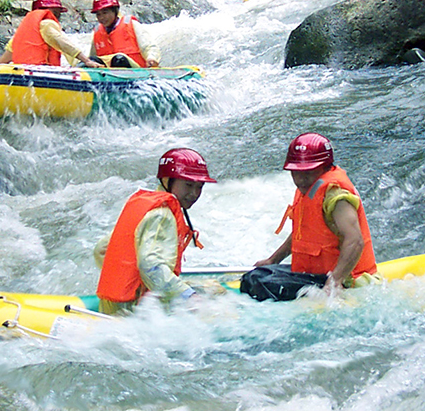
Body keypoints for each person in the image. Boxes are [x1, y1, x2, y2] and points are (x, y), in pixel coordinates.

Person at [242, 133, 378, 301]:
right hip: (313, 276)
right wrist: (273, 260)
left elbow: (355, 240)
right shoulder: (309, 188)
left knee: (256, 282)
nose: (300, 179)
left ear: (325, 167)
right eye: (295, 172)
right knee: (256, 276)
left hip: (347, 280)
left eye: (308, 172)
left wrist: (334, 282)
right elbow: (304, 232)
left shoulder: (335, 195)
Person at [95, 148, 216, 315]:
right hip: (134, 313)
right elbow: (150, 266)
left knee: (210, 289)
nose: (194, 193)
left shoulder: (147, 207)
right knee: (216, 297)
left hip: (114, 306)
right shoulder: (162, 215)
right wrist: (189, 297)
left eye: (199, 187)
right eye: (188, 185)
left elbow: (101, 249)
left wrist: (126, 278)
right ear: (167, 180)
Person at [0, 0, 102, 67]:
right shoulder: (47, 24)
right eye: (57, 12)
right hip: (41, 74)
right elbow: (64, 44)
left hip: (24, 76)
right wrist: (86, 61)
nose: (58, 16)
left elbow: (1, 62)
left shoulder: (21, 33)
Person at [89, 0, 161, 68]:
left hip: (135, 70)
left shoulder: (132, 24)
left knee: (119, 59)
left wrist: (151, 58)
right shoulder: (97, 32)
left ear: (115, 11)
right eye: (98, 14)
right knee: (92, 59)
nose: (101, 18)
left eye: (105, 13)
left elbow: (149, 46)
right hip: (108, 74)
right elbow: (92, 57)